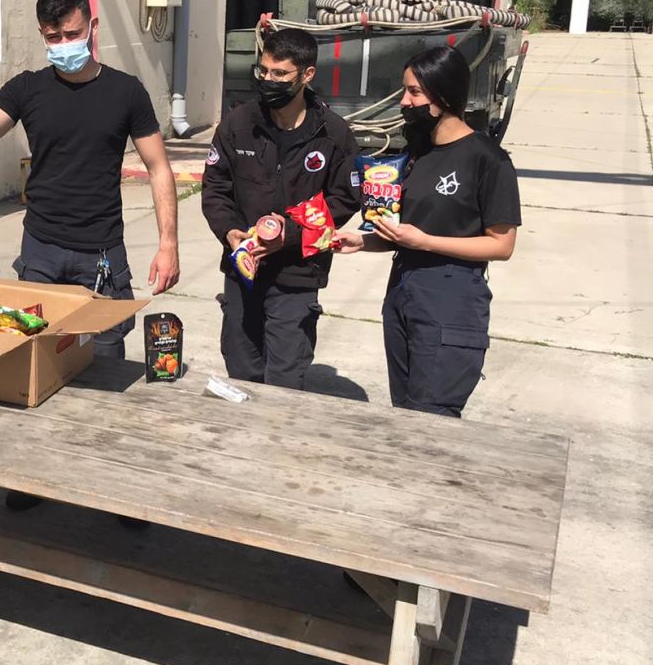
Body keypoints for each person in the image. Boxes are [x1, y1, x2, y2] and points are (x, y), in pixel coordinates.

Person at [0, 0, 180, 514]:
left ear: (92, 27)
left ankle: (115, 493)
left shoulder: (126, 92)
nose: (63, 44)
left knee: (107, 375)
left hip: (101, 258)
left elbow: (158, 167)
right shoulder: (27, 89)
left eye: (72, 33)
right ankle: (32, 477)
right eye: (53, 37)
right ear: (41, 34)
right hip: (41, 253)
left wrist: (168, 244)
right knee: (34, 367)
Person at [334, 45, 521, 418]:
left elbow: (502, 245)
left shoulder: (488, 160)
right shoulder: (418, 154)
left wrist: (425, 242)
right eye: (405, 91)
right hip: (404, 290)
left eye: (414, 92)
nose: (404, 101)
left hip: (451, 297)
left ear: (445, 94)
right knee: (405, 414)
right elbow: (409, 232)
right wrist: (362, 241)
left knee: (432, 418)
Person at [201, 27, 359, 390]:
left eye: (280, 73)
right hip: (244, 270)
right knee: (242, 370)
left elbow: (345, 199)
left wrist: (292, 234)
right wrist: (229, 231)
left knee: (284, 380)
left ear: (307, 74)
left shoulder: (333, 134)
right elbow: (216, 188)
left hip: (297, 275)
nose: (268, 80)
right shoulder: (238, 124)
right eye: (264, 71)